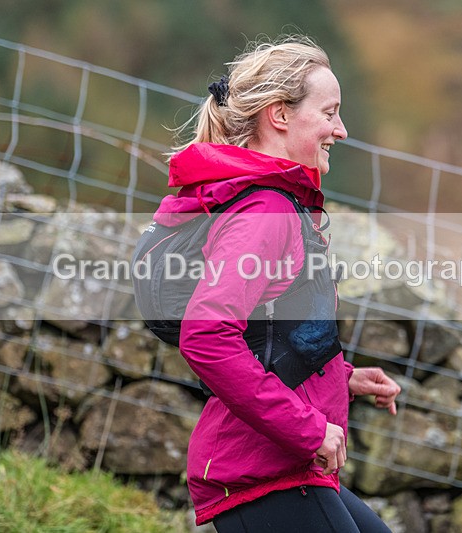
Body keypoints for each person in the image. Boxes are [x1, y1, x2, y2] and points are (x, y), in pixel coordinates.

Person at [155, 35, 401, 532]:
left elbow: (270, 332)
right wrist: (308, 430)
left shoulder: (276, 202)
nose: (341, 130)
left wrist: (340, 377)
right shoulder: (265, 211)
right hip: (259, 471)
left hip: (281, 465)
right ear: (280, 115)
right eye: (329, 113)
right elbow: (206, 336)